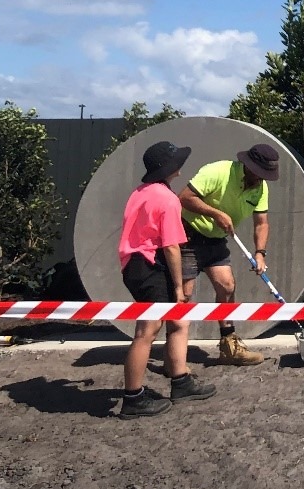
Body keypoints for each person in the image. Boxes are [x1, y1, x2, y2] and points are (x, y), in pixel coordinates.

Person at [118, 141, 216, 418]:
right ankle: (133, 398)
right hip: (149, 265)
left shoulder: (140, 192)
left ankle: (180, 380)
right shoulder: (168, 199)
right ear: (170, 168)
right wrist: (177, 287)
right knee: (146, 331)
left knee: (175, 321)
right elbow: (172, 247)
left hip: (134, 265)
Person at [177, 143, 281, 365]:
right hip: (187, 234)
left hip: (215, 240)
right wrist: (215, 213)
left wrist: (260, 254)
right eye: (260, 173)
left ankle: (229, 345)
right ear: (248, 165)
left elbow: (261, 223)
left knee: (227, 286)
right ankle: (175, 355)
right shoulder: (217, 171)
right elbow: (184, 197)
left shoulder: (260, 188)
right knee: (184, 295)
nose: (263, 179)